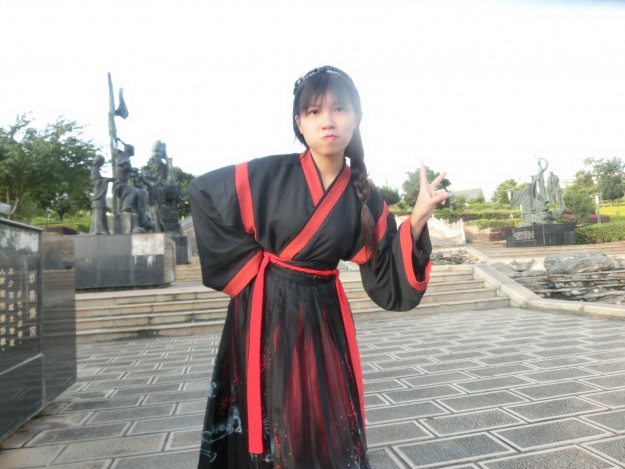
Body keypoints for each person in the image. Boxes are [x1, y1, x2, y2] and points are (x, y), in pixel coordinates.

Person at [189, 65, 448, 468]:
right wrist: (250, 267)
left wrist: (417, 218)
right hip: (264, 306)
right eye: (313, 111)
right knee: (270, 408)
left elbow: (385, 262)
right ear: (299, 122)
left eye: (339, 109)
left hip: (322, 314)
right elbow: (202, 192)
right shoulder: (267, 174)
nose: (327, 121)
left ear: (356, 118)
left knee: (323, 415)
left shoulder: (362, 193)